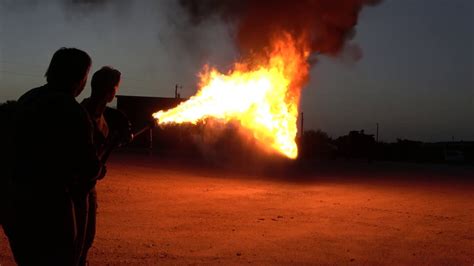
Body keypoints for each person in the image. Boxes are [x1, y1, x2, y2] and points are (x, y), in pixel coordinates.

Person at [2, 48, 105, 265]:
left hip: (16, 203)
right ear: (79, 77)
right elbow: (86, 167)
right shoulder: (72, 110)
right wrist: (98, 168)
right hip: (50, 208)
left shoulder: (28, 98)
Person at [76, 66, 130, 265]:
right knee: (76, 240)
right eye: (115, 88)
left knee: (87, 237)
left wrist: (120, 137)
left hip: (88, 187)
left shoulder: (105, 115)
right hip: (74, 188)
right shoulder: (81, 114)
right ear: (110, 91)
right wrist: (95, 168)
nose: (116, 93)